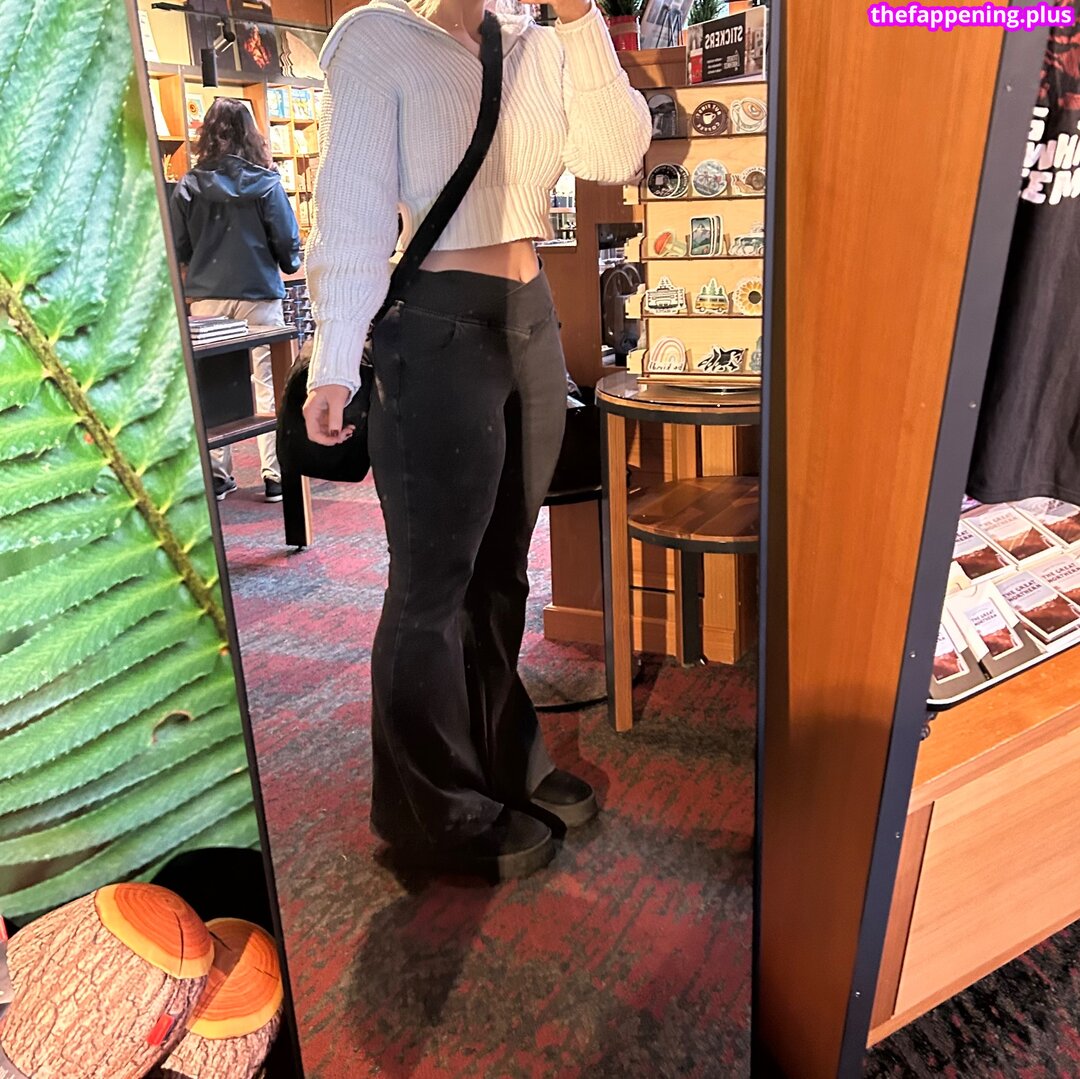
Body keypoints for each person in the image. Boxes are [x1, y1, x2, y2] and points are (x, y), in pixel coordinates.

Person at [303, 0, 652, 879]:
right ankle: (435, 809)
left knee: (503, 571)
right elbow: (350, 205)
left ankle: (504, 759)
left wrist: (581, 18)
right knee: (431, 583)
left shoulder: (538, 46)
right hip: (435, 328)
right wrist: (334, 360)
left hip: (530, 320)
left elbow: (615, 154)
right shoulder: (380, 37)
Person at [170, 97, 301, 502]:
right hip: (258, 292)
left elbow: (177, 245)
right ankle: (275, 474)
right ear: (252, 135)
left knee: (213, 387)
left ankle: (218, 475)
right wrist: (288, 262)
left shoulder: (188, 186)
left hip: (206, 298)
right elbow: (287, 241)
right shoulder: (266, 184)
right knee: (269, 383)